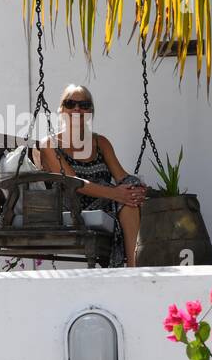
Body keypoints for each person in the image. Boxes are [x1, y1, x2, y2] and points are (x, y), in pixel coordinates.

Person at [37, 84, 147, 267]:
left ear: (91, 111)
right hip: (73, 204)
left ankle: (133, 270)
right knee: (126, 203)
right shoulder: (50, 144)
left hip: (107, 201)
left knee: (130, 200)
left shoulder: (100, 142)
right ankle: (133, 269)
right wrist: (116, 194)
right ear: (61, 109)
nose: (77, 109)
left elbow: (121, 175)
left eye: (84, 104)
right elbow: (74, 183)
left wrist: (135, 188)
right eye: (70, 103)